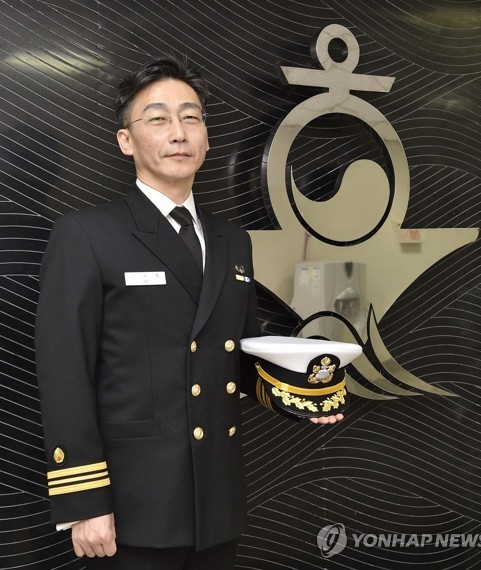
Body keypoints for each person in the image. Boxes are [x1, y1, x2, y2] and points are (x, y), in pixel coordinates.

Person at [35, 54, 344, 569]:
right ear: (126, 140)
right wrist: (84, 501)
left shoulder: (231, 240)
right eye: (158, 119)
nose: (178, 132)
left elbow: (237, 352)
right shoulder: (87, 234)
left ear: (206, 137)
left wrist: (300, 392)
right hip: (133, 502)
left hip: (217, 498)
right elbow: (64, 371)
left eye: (191, 117)